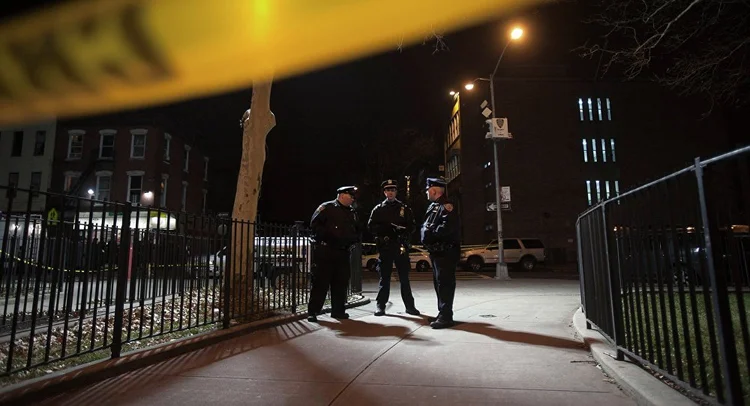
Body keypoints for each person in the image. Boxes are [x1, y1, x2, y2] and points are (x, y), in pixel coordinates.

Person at [308, 186, 361, 322]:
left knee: (341, 283)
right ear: (342, 195)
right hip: (326, 251)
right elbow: (314, 225)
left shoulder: (352, 212)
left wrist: (353, 239)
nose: (353, 199)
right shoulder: (327, 207)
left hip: (343, 252)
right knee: (321, 282)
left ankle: (338, 311)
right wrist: (328, 236)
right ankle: (313, 311)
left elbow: (356, 230)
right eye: (351, 196)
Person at [368, 179, 420, 316]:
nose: (390, 193)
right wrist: (384, 230)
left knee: (404, 279)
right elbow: (371, 227)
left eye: (393, 190)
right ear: (384, 192)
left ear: (396, 192)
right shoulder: (378, 209)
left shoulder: (404, 208)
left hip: (400, 246)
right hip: (385, 246)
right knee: (384, 279)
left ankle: (410, 306)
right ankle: (380, 305)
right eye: (388, 190)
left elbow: (412, 226)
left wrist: (403, 231)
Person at [421, 177, 460, 329]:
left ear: (433, 190)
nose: (426, 193)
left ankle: (446, 316)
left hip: (446, 251)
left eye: (427, 190)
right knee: (439, 283)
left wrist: (430, 234)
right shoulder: (434, 206)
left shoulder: (446, 206)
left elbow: (447, 228)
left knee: (445, 283)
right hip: (437, 252)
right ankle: (442, 313)